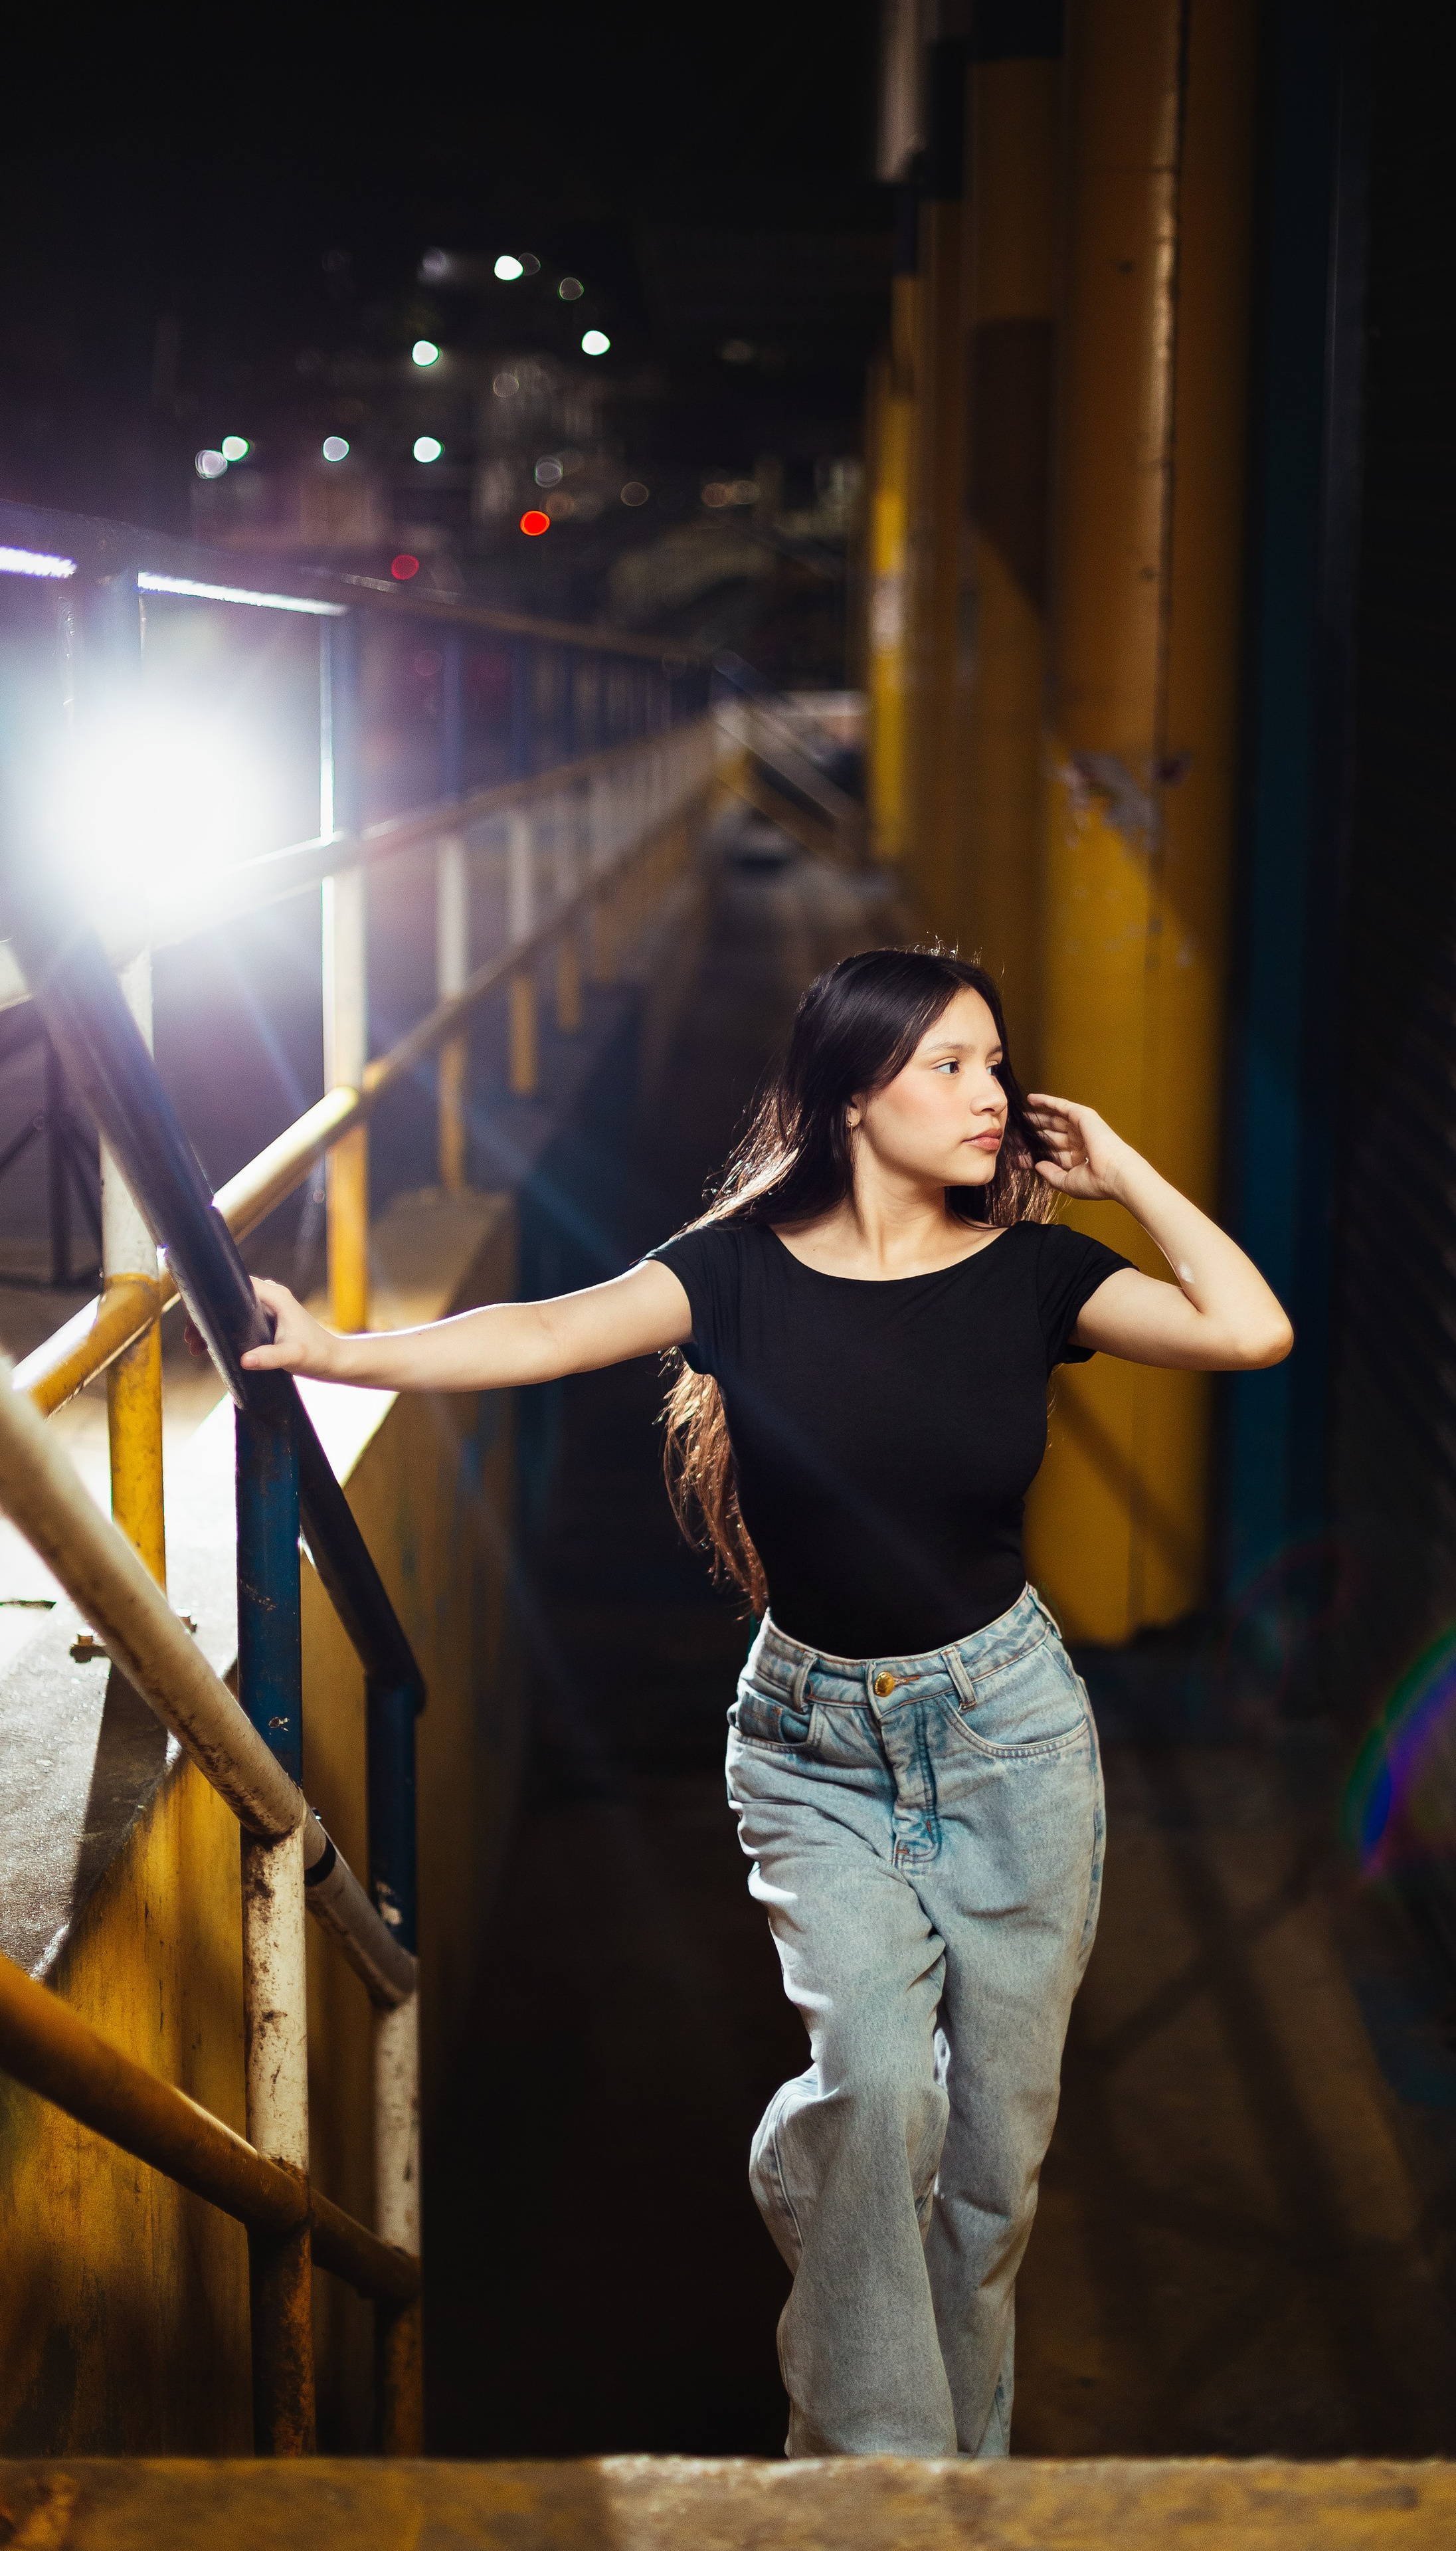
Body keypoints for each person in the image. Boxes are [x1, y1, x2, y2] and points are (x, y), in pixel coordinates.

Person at [238, 945, 1292, 2458]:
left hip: (1008, 1743)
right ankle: (874, 2488)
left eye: (996, 1065)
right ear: (852, 1096)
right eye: (949, 1066)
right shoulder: (732, 1269)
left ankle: (953, 2469)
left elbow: (1247, 1328)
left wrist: (1121, 1172)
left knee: (989, 2175)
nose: (989, 1095)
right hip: (812, 1750)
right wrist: (334, 1350)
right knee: (872, 2090)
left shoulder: (1037, 1274)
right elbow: (544, 1328)